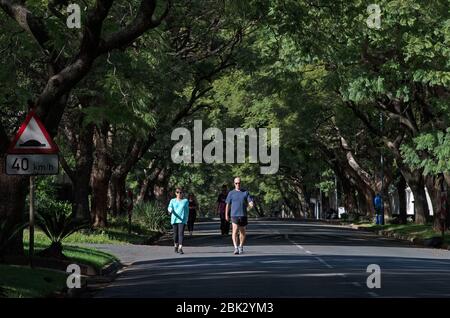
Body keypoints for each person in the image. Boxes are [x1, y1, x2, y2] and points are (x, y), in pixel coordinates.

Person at [225, 177, 254, 255]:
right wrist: (226, 215)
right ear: (234, 184)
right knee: (235, 230)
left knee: (242, 232)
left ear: (241, 183)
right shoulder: (231, 193)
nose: (238, 184)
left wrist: (250, 206)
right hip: (234, 215)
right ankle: (235, 247)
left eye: (239, 183)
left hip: (243, 215)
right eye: (236, 183)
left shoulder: (245, 192)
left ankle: (241, 246)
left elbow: (250, 202)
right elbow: (227, 205)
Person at [168, 187, 189, 254]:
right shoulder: (172, 200)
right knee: (175, 235)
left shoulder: (185, 201)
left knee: (181, 234)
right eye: (177, 192)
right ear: (175, 193)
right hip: (174, 219)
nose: (179, 193)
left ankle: (180, 247)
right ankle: (175, 245)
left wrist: (186, 218)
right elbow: (169, 207)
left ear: (182, 193)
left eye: (180, 192)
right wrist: (170, 210)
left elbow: (187, 210)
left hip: (182, 220)